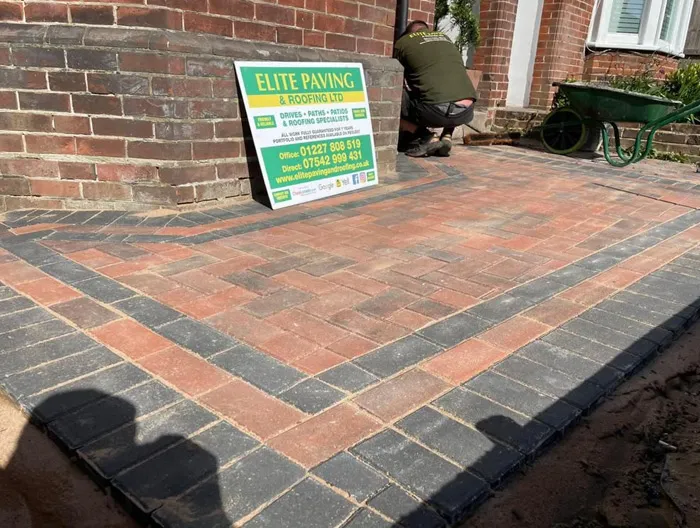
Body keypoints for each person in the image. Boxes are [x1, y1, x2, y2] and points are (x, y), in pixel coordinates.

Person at [394, 20, 477, 157]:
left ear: (410, 33)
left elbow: (395, 74)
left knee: (393, 96)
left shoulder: (404, 42)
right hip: (466, 112)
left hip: (436, 112)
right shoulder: (446, 39)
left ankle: (426, 136)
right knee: (451, 88)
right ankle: (447, 136)